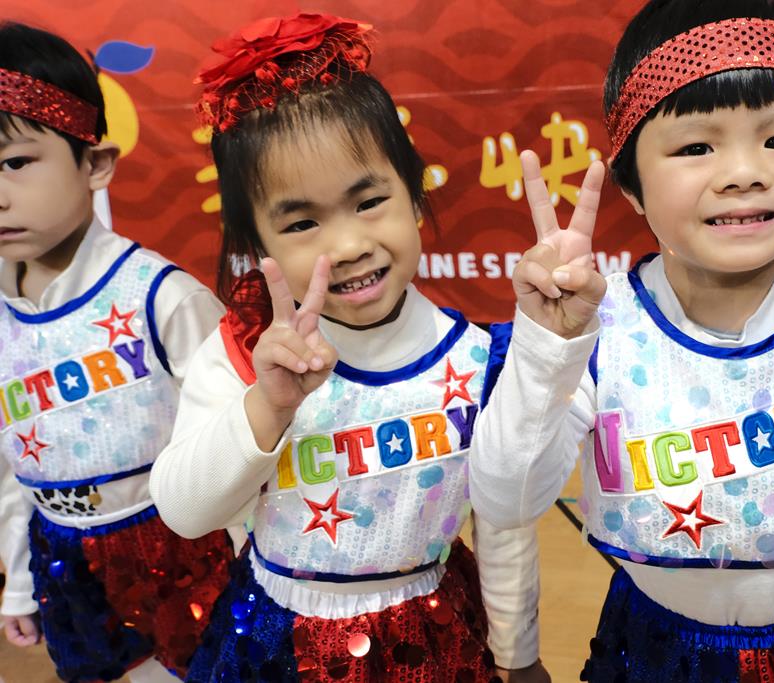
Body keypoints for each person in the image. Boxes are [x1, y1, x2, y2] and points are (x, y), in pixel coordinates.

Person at [468, 0, 774, 680]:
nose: (743, 172)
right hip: (651, 651)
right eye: (697, 147)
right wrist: (548, 348)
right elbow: (506, 499)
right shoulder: (598, 332)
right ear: (632, 184)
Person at [149, 12, 546, 682]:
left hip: (431, 638)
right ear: (257, 243)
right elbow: (186, 511)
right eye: (302, 222)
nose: (348, 245)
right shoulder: (245, 354)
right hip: (276, 644)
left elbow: (504, 523)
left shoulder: (478, 359)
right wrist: (268, 407)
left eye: (367, 202)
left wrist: (519, 653)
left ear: (413, 192)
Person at [0, 20, 234, 682]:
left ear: (95, 164)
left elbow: (238, 444)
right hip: (60, 560)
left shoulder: (162, 298)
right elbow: (11, 466)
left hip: (178, 552)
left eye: (15, 163)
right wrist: (19, 582)